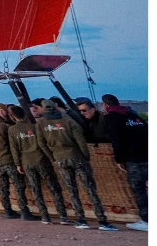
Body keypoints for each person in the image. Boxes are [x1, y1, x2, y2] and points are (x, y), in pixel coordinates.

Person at [36, 99, 116, 231]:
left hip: (60, 158)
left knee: (72, 190)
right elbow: (79, 137)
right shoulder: (66, 119)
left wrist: (53, 157)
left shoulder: (41, 124)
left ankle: (81, 219)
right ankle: (102, 220)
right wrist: (85, 155)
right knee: (90, 189)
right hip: (76, 156)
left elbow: (42, 143)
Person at [7, 105, 66, 225]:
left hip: (27, 162)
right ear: (24, 114)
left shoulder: (12, 130)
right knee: (54, 188)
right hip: (42, 160)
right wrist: (51, 158)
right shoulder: (35, 126)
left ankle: (45, 216)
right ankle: (63, 215)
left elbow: (14, 149)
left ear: (13, 117)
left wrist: (18, 164)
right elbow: (44, 143)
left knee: (36, 189)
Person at [101, 94, 147, 232]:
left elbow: (116, 140)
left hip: (134, 159)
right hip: (147, 155)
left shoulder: (112, 118)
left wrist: (119, 159)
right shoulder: (133, 116)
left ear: (106, 105)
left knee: (139, 190)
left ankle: (147, 220)